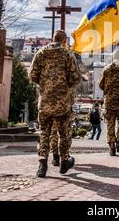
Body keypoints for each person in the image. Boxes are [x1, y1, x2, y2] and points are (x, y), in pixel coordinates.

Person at [29, 30, 82, 177]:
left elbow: (33, 75)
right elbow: (76, 77)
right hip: (62, 103)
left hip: (45, 101)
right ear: (64, 41)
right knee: (63, 133)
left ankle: (42, 164)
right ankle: (64, 161)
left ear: (53, 39)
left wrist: (45, 85)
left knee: (44, 132)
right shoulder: (67, 55)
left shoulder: (40, 53)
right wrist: (65, 86)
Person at [98, 49, 119, 156]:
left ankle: (111, 146)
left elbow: (100, 84)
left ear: (113, 57)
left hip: (109, 101)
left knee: (110, 124)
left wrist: (109, 90)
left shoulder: (106, 69)